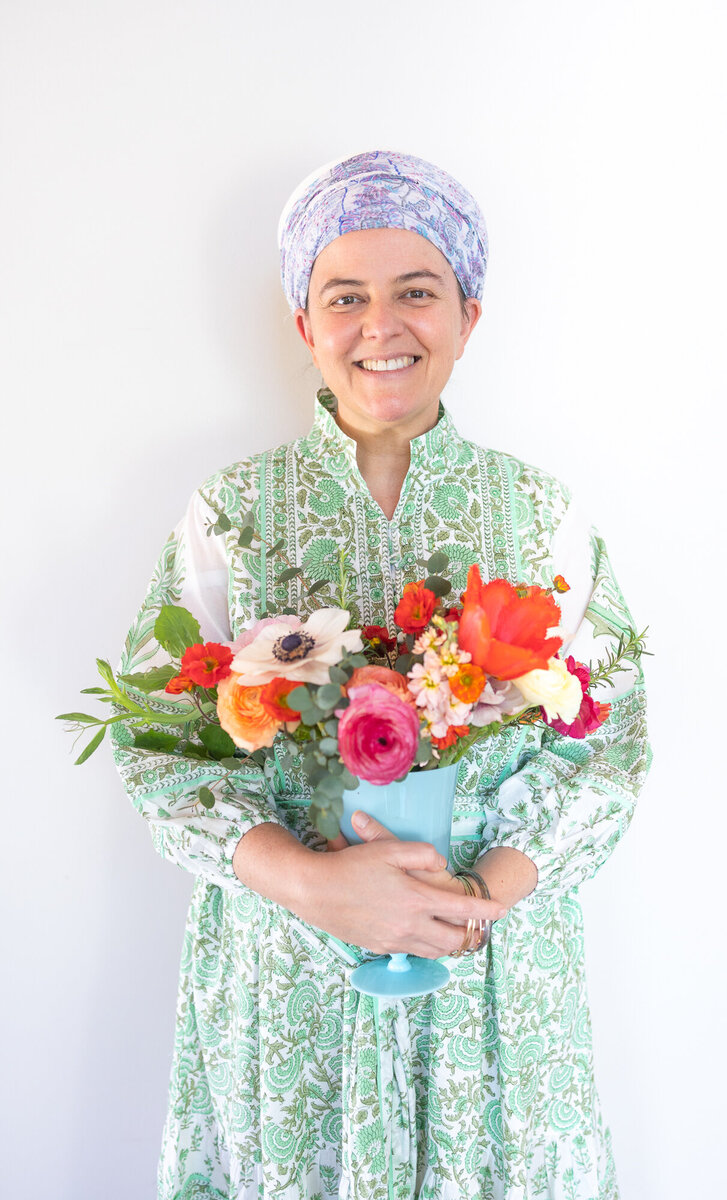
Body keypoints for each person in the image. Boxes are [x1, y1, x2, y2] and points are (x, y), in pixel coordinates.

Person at [114, 150, 650, 1200]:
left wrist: (477, 897)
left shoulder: (539, 512)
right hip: (289, 971)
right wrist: (311, 884)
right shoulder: (232, 511)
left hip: (489, 977)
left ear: (468, 315)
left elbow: (610, 744)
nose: (381, 325)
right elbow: (157, 748)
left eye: (416, 291)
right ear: (303, 324)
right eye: (345, 297)